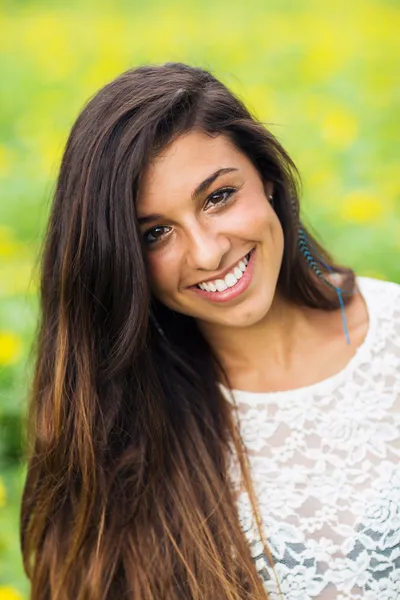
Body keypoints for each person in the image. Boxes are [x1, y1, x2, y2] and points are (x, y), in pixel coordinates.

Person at [20, 62, 400, 600]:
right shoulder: (121, 424)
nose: (207, 252)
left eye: (218, 197)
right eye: (155, 233)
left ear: (268, 178)